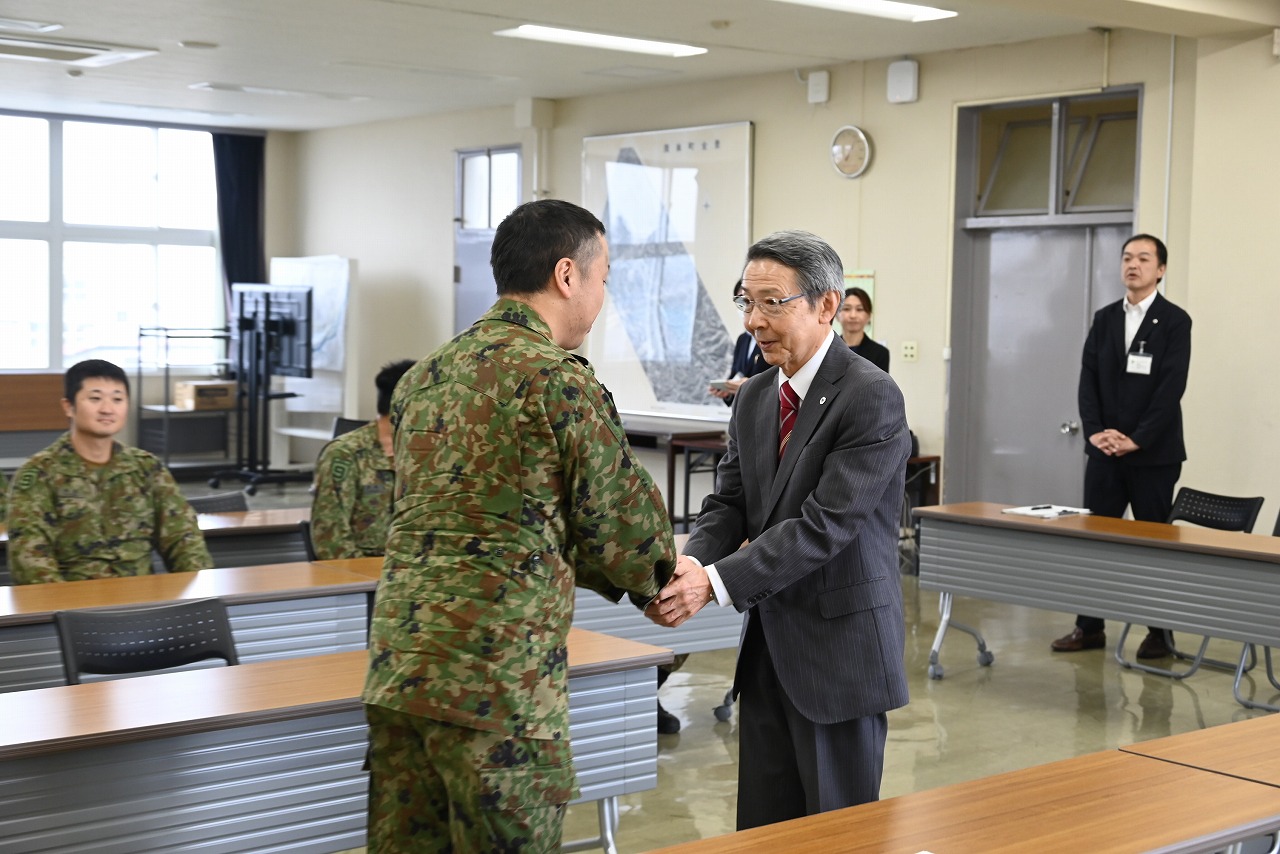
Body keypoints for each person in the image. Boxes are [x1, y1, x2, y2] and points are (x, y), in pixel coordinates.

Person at [362, 199, 677, 852]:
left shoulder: (425, 377)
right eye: (604, 276)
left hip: (401, 671)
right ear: (568, 276)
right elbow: (625, 536)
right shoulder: (556, 383)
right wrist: (663, 581)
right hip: (495, 687)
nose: (602, 294)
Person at [648, 230, 911, 830]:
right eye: (746, 301)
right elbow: (730, 502)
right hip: (767, 648)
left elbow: (824, 526)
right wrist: (691, 564)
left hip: (838, 656)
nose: (753, 321)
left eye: (773, 303)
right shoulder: (756, 397)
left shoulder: (871, 395)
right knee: (764, 828)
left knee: (837, 833)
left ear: (825, 306)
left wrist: (712, 583)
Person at [1052, 233, 1191, 658]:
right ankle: (1089, 627)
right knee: (1096, 541)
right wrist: (1095, 431)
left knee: (1152, 545)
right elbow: (1088, 379)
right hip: (1105, 453)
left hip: (1153, 455)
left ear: (1160, 269)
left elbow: (1171, 388)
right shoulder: (1106, 317)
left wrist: (1137, 438)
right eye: (1128, 257)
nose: (1133, 265)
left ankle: (1159, 633)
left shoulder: (1174, 320)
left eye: (1144, 259)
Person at [7, 359, 212, 585]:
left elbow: (183, 539)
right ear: (68, 406)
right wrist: (66, 611)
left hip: (142, 602)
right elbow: (30, 558)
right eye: (95, 399)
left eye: (117, 399)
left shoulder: (146, 468)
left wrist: (198, 593)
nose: (107, 409)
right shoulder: (39, 473)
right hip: (71, 608)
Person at [310, 358, 415, 560]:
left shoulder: (428, 452)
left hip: (415, 572)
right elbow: (331, 539)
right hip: (363, 573)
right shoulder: (345, 454)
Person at [710, 279, 771, 405]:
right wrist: (727, 390)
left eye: (749, 301)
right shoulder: (742, 340)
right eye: (741, 301)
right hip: (744, 412)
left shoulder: (771, 338)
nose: (745, 307)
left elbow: (778, 382)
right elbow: (736, 374)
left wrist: (750, 386)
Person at [839, 286, 890, 373]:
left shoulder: (880, 353)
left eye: (859, 309)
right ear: (836, 314)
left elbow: (880, 385)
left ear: (869, 316)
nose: (853, 315)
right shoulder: (827, 350)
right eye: (846, 309)